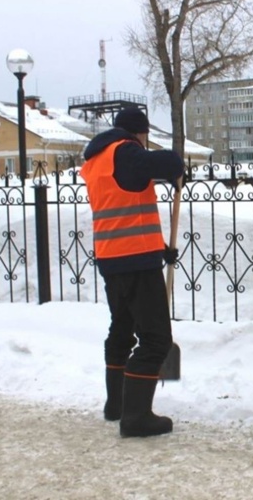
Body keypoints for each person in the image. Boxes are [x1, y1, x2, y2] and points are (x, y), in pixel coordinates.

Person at [80, 107, 184, 438]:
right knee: (156, 339)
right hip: (135, 261)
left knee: (123, 328)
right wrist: (177, 166)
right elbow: (168, 163)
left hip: (113, 257)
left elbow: (124, 208)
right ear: (139, 133)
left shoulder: (97, 159)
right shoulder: (125, 151)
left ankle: (118, 404)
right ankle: (136, 418)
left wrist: (159, 250)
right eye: (145, 137)